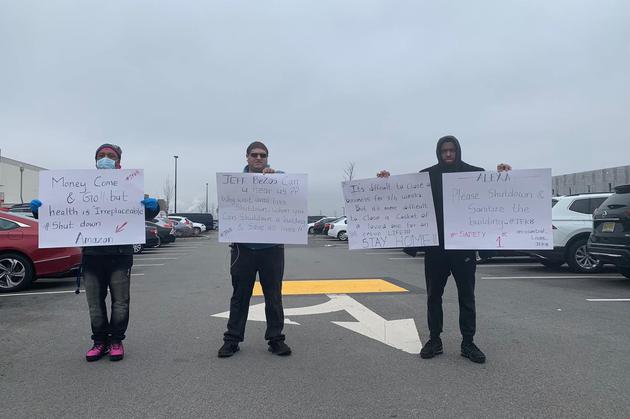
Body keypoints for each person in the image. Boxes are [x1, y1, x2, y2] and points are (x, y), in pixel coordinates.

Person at [378, 135, 511, 364]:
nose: (448, 154)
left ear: (458, 151)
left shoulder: (474, 174)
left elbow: (492, 197)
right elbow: (403, 199)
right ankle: (434, 340)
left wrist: (503, 177)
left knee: (467, 296)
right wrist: (386, 183)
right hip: (435, 248)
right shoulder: (426, 176)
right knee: (433, 296)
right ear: (439, 153)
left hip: (463, 247)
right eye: (444, 151)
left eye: (452, 150)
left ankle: (468, 342)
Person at [31, 143, 159, 362]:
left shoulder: (130, 186)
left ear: (119, 162)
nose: (105, 158)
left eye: (110, 155)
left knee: (120, 302)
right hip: (92, 255)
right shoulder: (80, 187)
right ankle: (99, 341)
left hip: (120, 255)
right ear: (95, 161)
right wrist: (40, 211)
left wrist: (153, 207)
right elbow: (61, 214)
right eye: (101, 155)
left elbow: (146, 214)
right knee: (94, 303)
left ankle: (116, 340)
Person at [218, 141, 291, 358]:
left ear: (267, 158)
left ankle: (276, 339)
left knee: (273, 296)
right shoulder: (234, 183)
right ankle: (232, 340)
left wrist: (274, 177)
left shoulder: (278, 178)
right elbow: (225, 209)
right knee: (240, 296)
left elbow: (292, 194)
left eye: (263, 155)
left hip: (272, 249)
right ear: (247, 157)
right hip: (243, 249)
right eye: (254, 155)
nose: (259, 158)